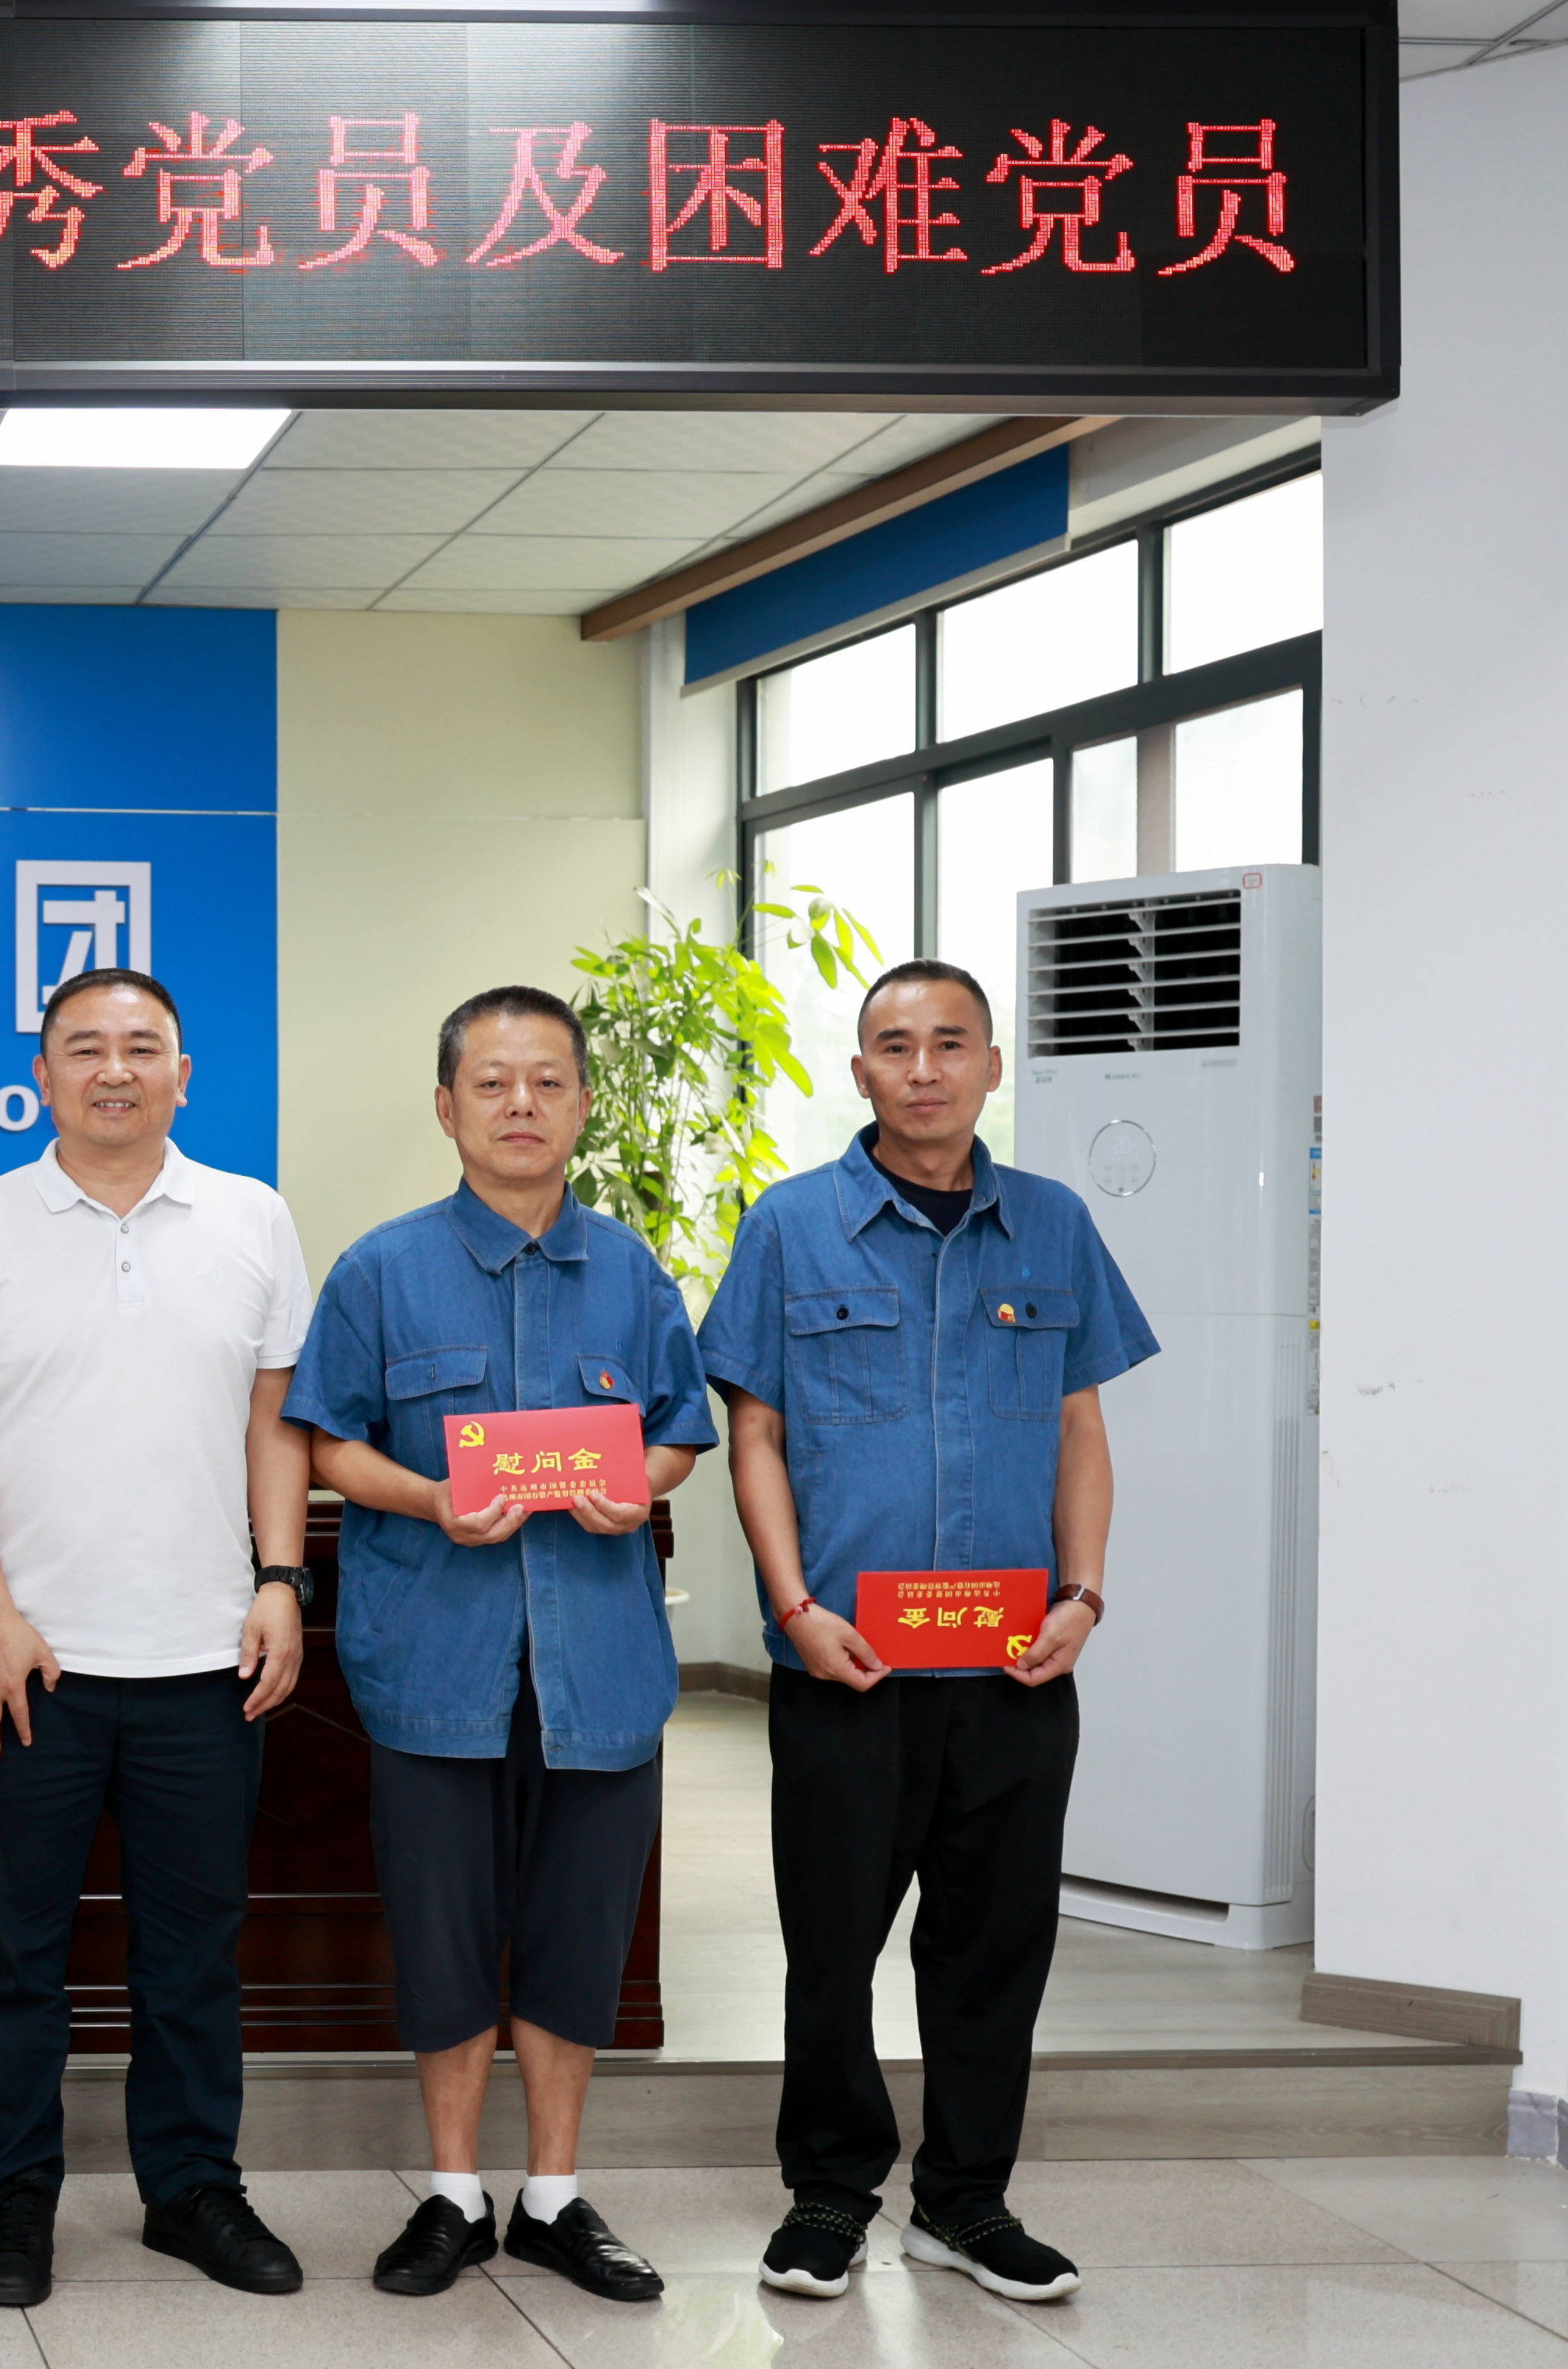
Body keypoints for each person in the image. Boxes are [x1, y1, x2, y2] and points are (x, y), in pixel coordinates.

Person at [699, 960, 1155, 2308]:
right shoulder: (790, 1226)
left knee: (993, 1944)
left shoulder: (1053, 1224)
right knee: (830, 1941)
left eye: (949, 1043)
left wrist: (1083, 1594)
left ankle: (963, 2200)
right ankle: (829, 2191)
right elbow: (754, 1434)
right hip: (848, 1663)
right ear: (859, 1074)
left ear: (989, 1067)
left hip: (1014, 1665)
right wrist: (793, 1606)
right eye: (893, 1046)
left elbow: (1077, 1426)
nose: (922, 1069)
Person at [287, 987, 710, 2307]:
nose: (519, 1103)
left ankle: (554, 2196)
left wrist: (638, 1483)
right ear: (445, 1106)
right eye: (491, 1082)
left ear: (580, 1103)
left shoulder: (631, 1271)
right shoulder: (378, 1269)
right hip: (435, 1660)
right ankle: (454, 2192)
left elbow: (679, 1430)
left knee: (578, 1935)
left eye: (546, 1081)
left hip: (599, 1665)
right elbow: (327, 1442)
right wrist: (426, 1498)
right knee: (444, 1934)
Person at [0, 967, 316, 2309]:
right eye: (83, 1048)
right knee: (11, 1955)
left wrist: (278, 1577)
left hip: (206, 1655)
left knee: (192, 1953)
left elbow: (275, 1421)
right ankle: (11, 2196)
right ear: (40, 1077)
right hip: (27, 1660)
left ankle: (191, 2186)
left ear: (182, 1075)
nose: (114, 1069)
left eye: (142, 1046)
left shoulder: (252, 1218)